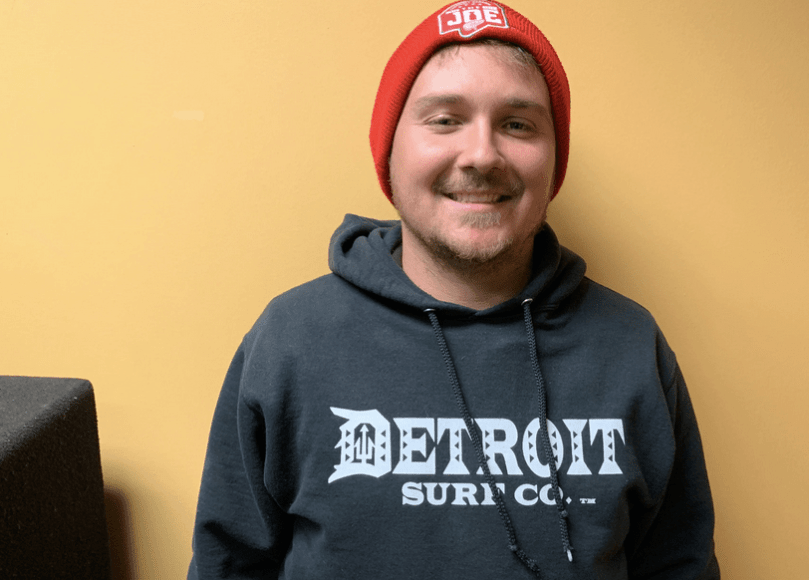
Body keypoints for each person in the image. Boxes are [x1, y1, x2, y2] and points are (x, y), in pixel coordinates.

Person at [188, 2, 720, 578]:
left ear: (553, 159)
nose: (482, 155)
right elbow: (227, 565)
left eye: (517, 124)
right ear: (390, 151)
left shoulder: (631, 345)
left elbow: (680, 566)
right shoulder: (291, 340)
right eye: (444, 120)